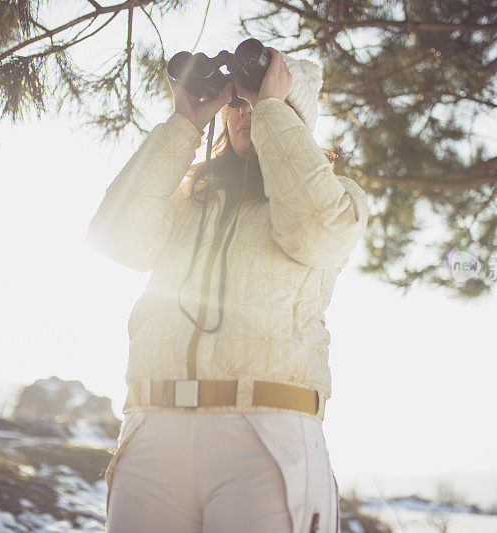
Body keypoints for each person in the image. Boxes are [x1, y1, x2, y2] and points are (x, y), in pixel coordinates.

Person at [86, 45, 369, 533]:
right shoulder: (189, 203)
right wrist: (184, 125)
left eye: (258, 100)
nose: (244, 114)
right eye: (237, 103)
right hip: (156, 427)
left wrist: (274, 112)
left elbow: (315, 229)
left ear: (294, 114)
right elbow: (115, 238)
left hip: (266, 431)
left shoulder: (340, 197)